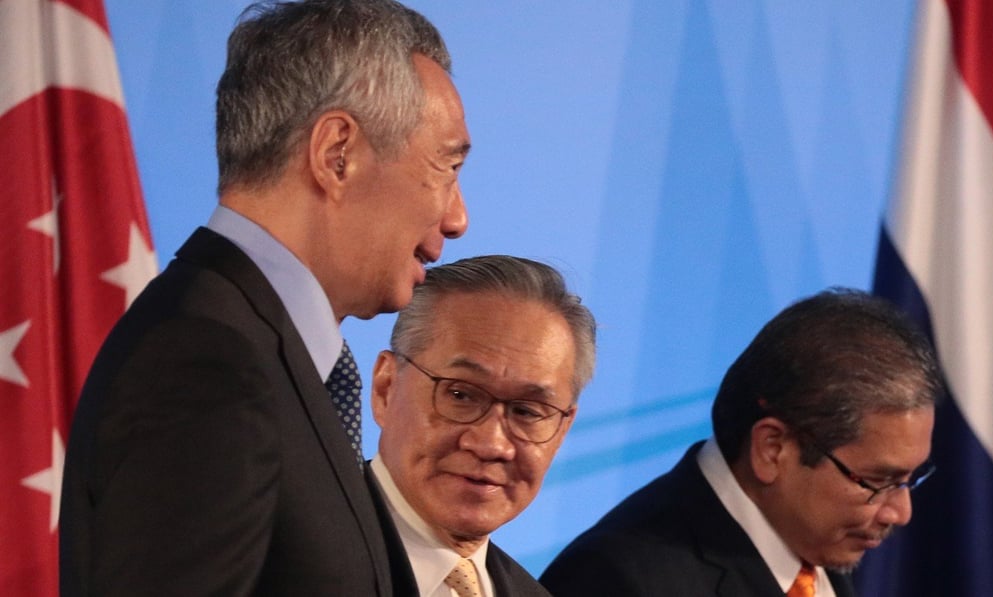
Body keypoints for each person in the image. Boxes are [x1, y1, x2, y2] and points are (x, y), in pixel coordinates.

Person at [59, 1, 470, 594]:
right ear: (337, 154)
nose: (457, 219)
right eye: (446, 167)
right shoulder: (206, 364)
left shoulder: (253, 345)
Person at [540, 289, 942, 597]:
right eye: (877, 481)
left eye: (910, 478)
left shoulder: (819, 546)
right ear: (772, 449)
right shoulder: (618, 581)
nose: (901, 512)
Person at [366, 255, 597, 597]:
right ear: (386, 388)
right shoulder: (292, 552)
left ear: (562, 430)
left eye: (527, 412)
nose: (492, 444)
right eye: (460, 395)